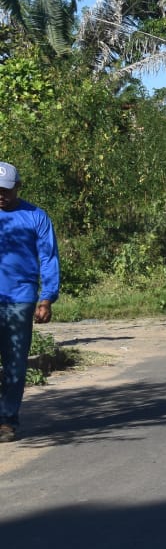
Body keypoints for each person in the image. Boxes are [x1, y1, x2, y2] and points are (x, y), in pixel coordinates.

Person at [0, 162, 60, 442]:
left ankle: (8, 420)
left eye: (6, 191)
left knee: (15, 362)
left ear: (17, 188)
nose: (1, 195)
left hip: (20, 299)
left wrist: (46, 297)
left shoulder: (35, 216)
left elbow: (48, 257)